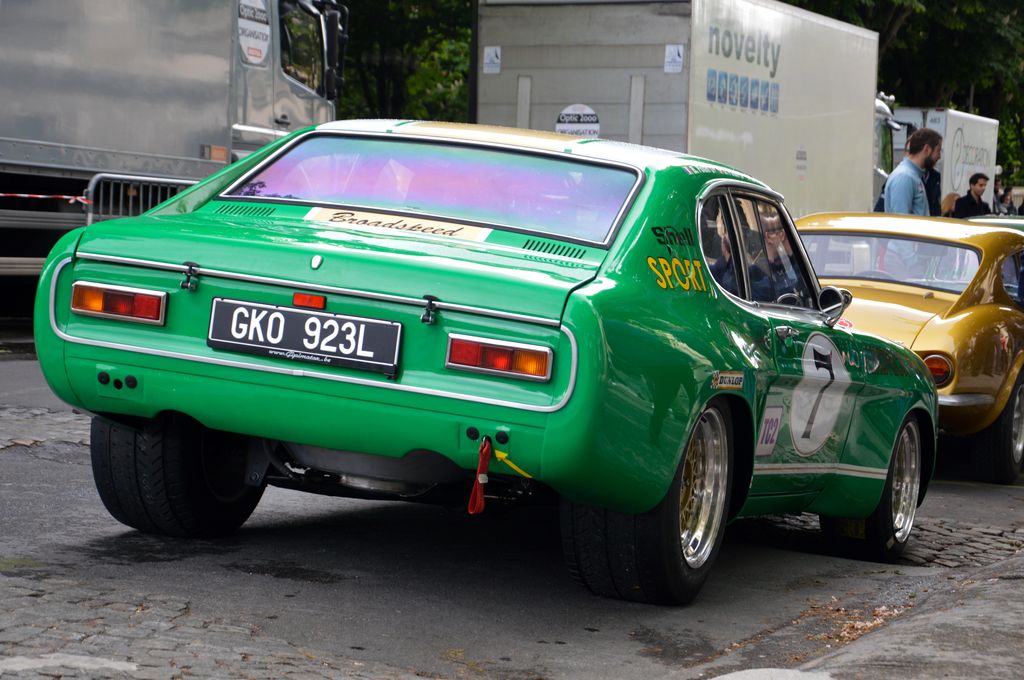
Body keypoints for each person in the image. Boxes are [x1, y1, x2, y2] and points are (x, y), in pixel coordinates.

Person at [883, 128, 943, 216]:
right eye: (938, 150)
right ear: (927, 149)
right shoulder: (905, 177)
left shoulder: (912, 176)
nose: (939, 156)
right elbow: (901, 221)